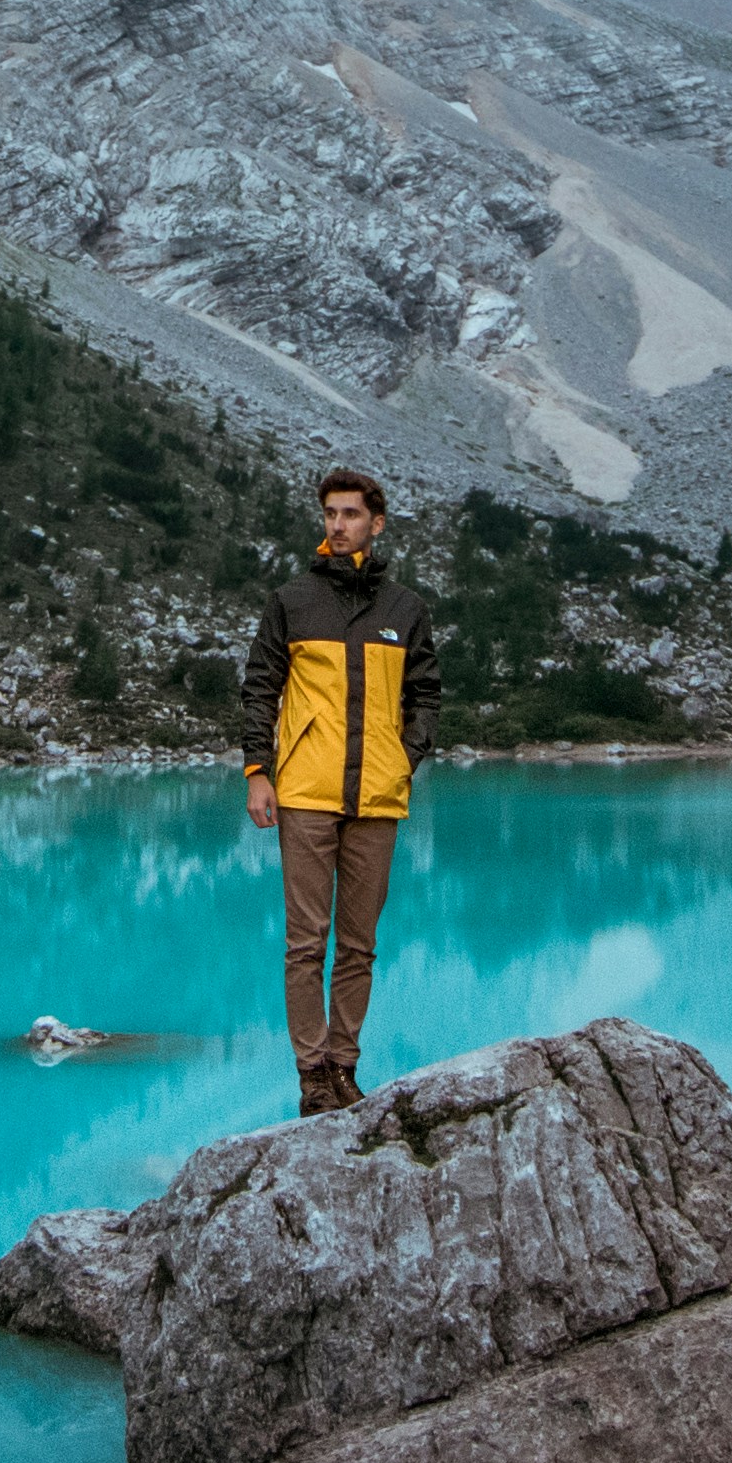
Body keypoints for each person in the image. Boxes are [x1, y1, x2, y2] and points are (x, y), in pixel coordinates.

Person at [240, 466, 440, 1116]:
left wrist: (402, 760)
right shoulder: (293, 601)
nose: (338, 524)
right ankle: (310, 1075)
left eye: (351, 514)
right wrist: (258, 772)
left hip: (377, 798)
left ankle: (345, 1067)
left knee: (359, 944)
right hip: (305, 793)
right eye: (330, 513)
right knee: (305, 943)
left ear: (375, 524)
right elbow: (260, 688)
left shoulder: (404, 610)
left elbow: (426, 696)